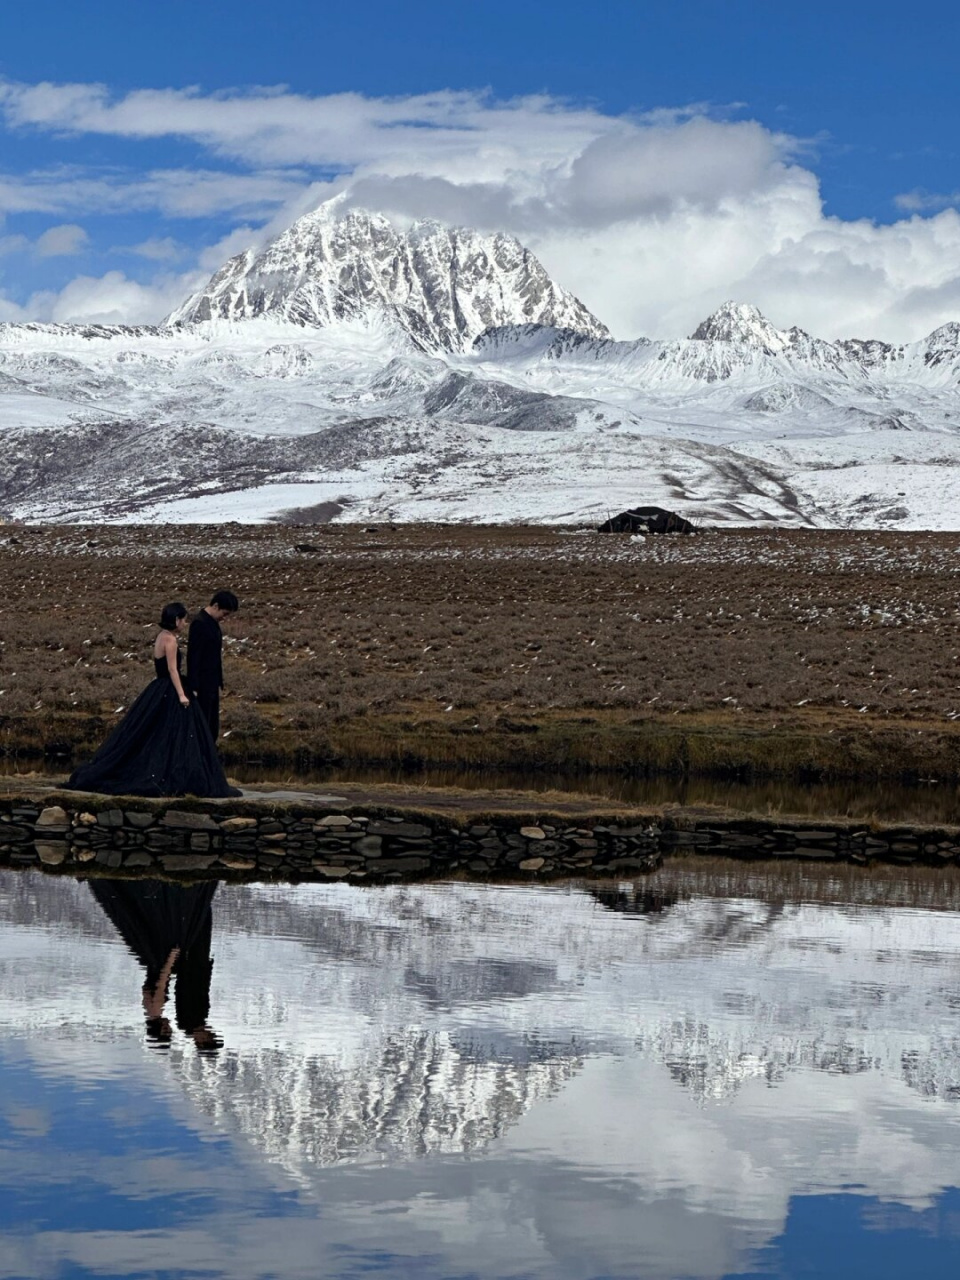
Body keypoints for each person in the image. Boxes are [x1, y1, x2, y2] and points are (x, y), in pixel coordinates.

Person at [65, 602, 240, 798]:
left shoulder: (160, 637)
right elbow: (173, 670)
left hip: (158, 688)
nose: (184, 624)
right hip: (170, 688)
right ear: (176, 620)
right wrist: (182, 694)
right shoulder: (171, 641)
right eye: (182, 620)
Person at [89, 878, 222, 1054]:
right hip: (154, 960)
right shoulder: (149, 1008)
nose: (169, 1028)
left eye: (167, 1031)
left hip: (161, 960)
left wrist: (171, 959)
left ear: (160, 1029)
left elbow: (161, 981)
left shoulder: (157, 1008)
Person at [187, 590, 239, 742]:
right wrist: (194, 686)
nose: (225, 617)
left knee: (212, 724)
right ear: (215, 606)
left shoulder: (212, 623)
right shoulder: (199, 623)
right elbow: (194, 656)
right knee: (203, 724)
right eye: (225, 613)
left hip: (212, 682)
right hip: (202, 683)